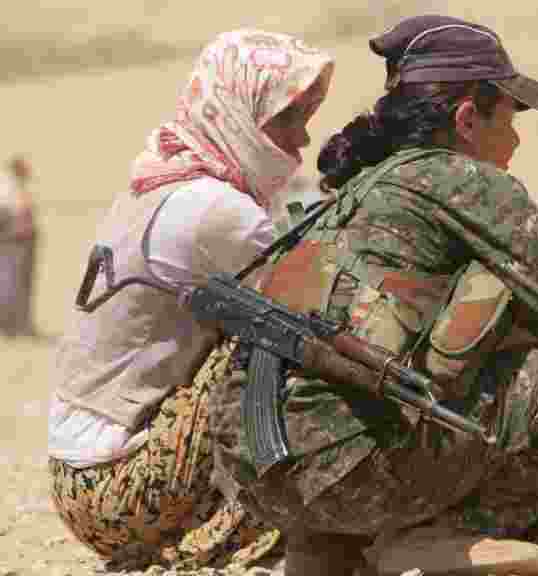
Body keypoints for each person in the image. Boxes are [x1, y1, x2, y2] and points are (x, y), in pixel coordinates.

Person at [200, 15, 538, 576]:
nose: (517, 138)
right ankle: (451, 533)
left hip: (251, 471)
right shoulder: (463, 181)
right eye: (511, 118)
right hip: (344, 471)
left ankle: (326, 548)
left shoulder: (361, 185)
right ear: (468, 118)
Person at [47, 30, 334, 570]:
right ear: (236, 114)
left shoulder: (164, 180)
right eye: (285, 119)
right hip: (118, 484)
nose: (301, 141)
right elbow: (322, 301)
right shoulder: (211, 209)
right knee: (287, 341)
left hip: (81, 477)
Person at [0, 155, 41, 337]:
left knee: (22, 285)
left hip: (24, 244)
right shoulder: (6, 190)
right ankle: (10, 326)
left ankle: (20, 325)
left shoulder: (17, 188)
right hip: (13, 244)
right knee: (10, 284)